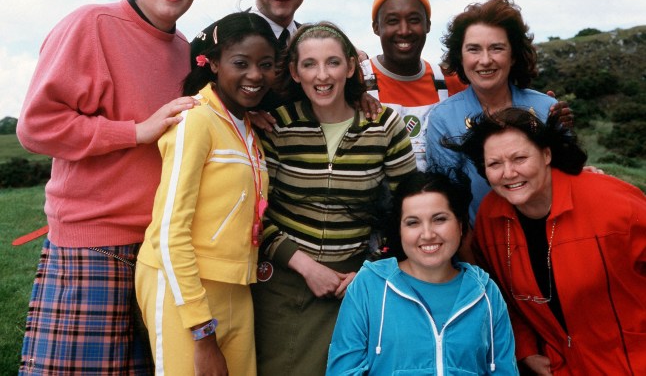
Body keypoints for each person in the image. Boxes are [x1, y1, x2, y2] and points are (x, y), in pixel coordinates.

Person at [16, 0, 214, 374]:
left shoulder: (186, 51)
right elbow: (36, 127)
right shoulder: (92, 25)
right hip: (94, 245)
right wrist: (134, 131)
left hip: (158, 248)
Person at [252, 22, 418, 375]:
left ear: (350, 67)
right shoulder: (278, 127)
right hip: (284, 279)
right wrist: (306, 266)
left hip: (354, 283)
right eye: (309, 64)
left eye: (332, 62)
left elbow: (412, 208)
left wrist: (371, 267)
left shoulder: (384, 125)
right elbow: (256, 212)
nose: (322, 75)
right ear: (295, 72)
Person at [454, 107, 646, 375]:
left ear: (546, 154)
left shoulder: (614, 203)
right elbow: (498, 295)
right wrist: (525, 348)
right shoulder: (490, 217)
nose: (508, 173)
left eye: (519, 158)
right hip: (560, 367)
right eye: (495, 164)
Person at [135, 12, 277, 375]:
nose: (255, 75)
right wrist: (202, 331)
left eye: (266, 65)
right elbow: (169, 233)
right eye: (241, 63)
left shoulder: (248, 127)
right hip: (183, 291)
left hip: (237, 289)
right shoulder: (195, 120)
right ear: (213, 63)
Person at [327, 170, 518, 375]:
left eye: (439, 219)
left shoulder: (486, 292)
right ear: (399, 230)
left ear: (461, 225)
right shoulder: (368, 286)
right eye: (413, 223)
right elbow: (342, 371)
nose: (427, 234)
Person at [426, 0, 564, 226]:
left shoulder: (546, 108)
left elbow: (567, 176)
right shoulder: (443, 118)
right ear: (460, 57)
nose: (485, 60)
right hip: (481, 244)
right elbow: (445, 197)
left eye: (497, 48)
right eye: (474, 50)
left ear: (513, 55)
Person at [368, 0, 467, 171]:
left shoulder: (451, 81)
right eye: (392, 21)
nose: (404, 31)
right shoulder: (354, 80)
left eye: (414, 20)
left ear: (428, 25)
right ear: (376, 27)